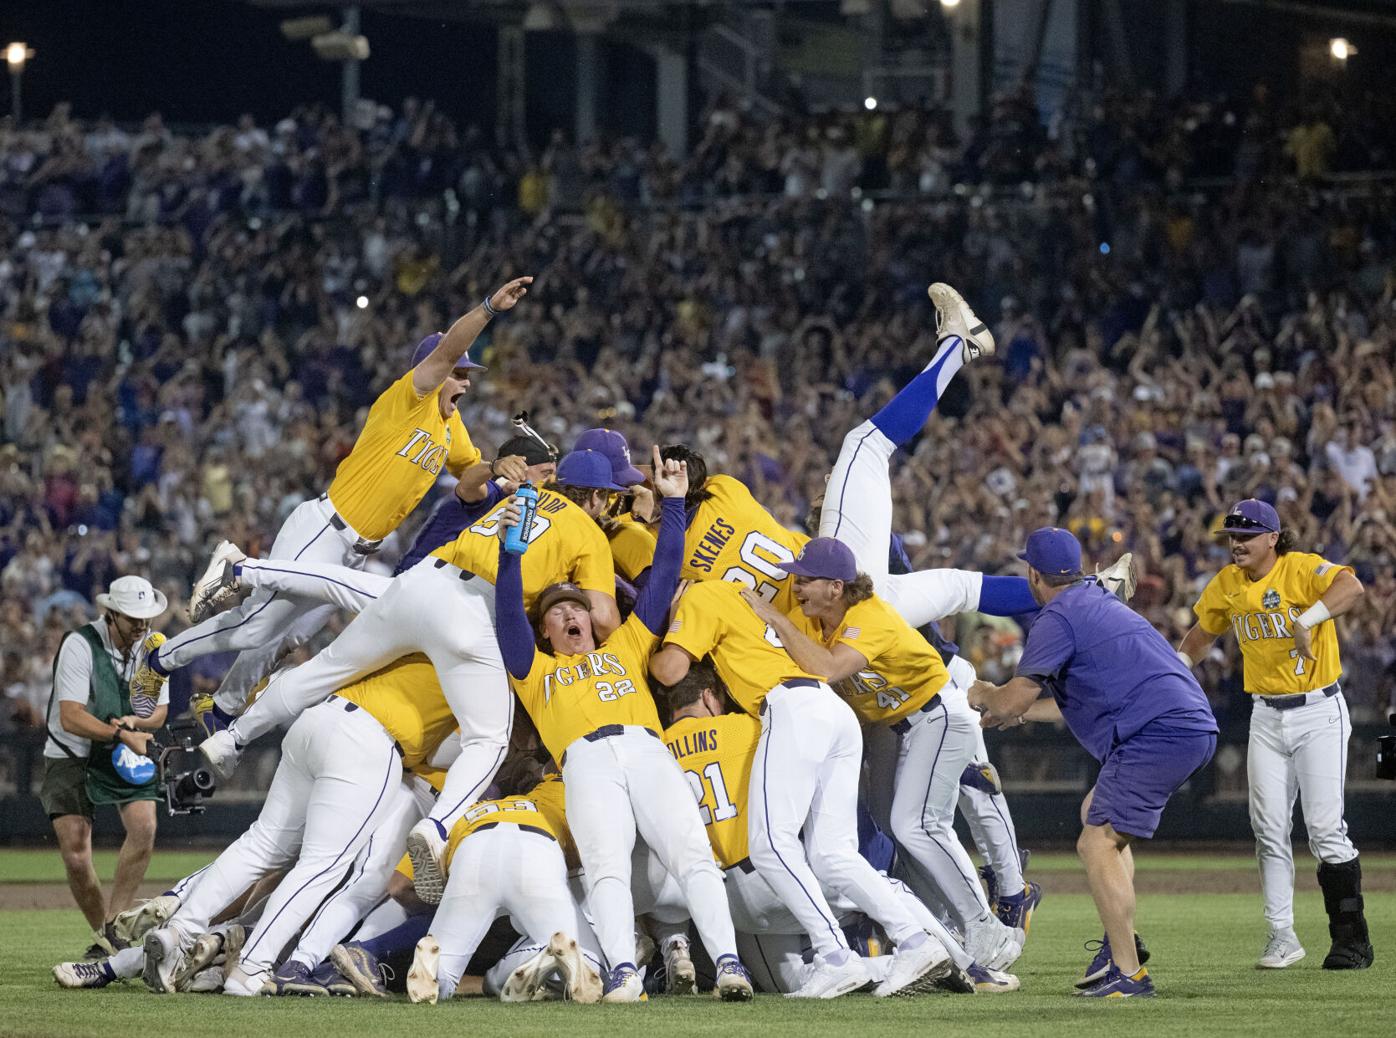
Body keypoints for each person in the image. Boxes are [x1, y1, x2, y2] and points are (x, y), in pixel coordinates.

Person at [198, 450, 620, 906]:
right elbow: (604, 616)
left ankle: (233, 736)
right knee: (489, 740)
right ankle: (437, 828)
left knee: (326, 667)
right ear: (595, 497)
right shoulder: (587, 531)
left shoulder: (523, 497)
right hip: (472, 611)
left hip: (420, 584)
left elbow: (475, 484)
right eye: (608, 496)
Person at [134, 277, 535, 733]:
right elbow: (445, 354)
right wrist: (488, 309)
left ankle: (221, 709)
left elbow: (469, 473)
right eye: (458, 372)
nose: (464, 379)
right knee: (253, 629)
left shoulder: (450, 424)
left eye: (466, 374)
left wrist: (496, 467)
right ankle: (160, 658)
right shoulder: (410, 396)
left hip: (357, 552)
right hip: (325, 530)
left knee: (287, 639)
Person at [493, 447, 753, 1003]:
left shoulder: (629, 643)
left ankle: (730, 964)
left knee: (691, 853)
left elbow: (663, 576)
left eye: (575, 607)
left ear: (590, 616)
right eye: (556, 612)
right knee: (606, 868)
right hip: (584, 761)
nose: (568, 613)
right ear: (545, 631)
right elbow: (508, 618)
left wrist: (676, 505)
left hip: (644, 748)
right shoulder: (534, 671)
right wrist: (510, 558)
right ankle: (622, 973)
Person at [650, 582, 948, 999]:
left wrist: (669, 626)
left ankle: (835, 956)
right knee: (832, 854)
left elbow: (669, 670)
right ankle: (916, 942)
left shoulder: (704, 594)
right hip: (828, 705)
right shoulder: (749, 600)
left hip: (790, 705)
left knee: (771, 843)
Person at [653, 661, 1017, 995]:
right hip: (775, 878)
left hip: (728, 904)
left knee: (789, 982)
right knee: (883, 885)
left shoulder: (657, 751)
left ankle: (884, 966)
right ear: (710, 696)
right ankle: (969, 967)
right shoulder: (748, 728)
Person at [742, 537, 1023, 970]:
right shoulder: (817, 620)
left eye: (807, 579)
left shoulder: (866, 615)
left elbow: (829, 668)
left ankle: (987, 926)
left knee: (916, 826)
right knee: (903, 834)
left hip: (939, 713)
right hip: (900, 728)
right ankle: (951, 922)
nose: (796, 587)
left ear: (836, 587)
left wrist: (778, 621)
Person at [968, 527, 1218, 998]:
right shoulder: (1096, 603)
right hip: (1187, 725)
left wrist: (986, 694)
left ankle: (1128, 971)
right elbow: (1060, 701)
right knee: (1097, 816)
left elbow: (1012, 699)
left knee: (1095, 842)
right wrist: (1018, 710)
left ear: (1032, 574)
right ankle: (1118, 943)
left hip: (1157, 732)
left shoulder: (1057, 617)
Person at [1177, 498, 1373, 971]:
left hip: (1318, 709)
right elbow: (1201, 636)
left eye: (1245, 536)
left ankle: (1351, 939)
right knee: (1268, 830)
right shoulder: (1226, 583)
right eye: (1231, 537)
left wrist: (1308, 619)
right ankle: (1282, 935)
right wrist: (1175, 671)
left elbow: (1353, 587)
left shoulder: (1301, 569)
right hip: (1265, 715)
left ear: (1272, 537)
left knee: (1325, 830)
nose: (1236, 544)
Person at [40, 575, 170, 958]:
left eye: (146, 619)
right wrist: (118, 735)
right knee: (76, 856)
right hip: (73, 752)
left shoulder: (152, 648)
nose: (142, 627)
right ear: (111, 615)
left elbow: (158, 713)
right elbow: (71, 717)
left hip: (122, 748)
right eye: (134, 619)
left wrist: (135, 725)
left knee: (145, 828)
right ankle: (107, 938)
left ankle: (113, 928)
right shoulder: (79, 645)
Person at [404, 772, 603, 1004]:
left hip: (472, 850)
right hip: (535, 850)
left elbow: (401, 885)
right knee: (593, 967)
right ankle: (545, 955)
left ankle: (434, 968)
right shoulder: (559, 792)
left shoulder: (463, 808)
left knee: (444, 971)